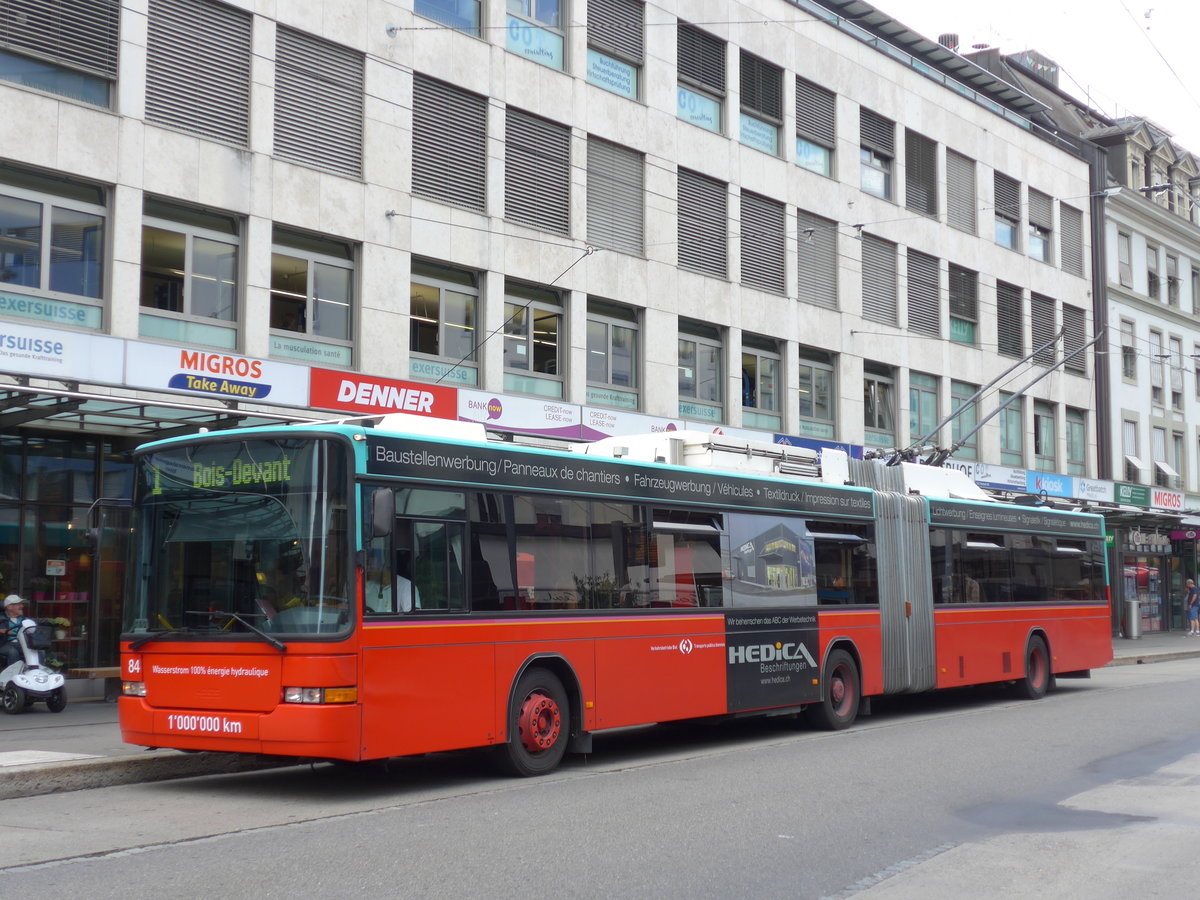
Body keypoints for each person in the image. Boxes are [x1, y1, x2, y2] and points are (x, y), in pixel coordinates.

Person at [2, 594, 27, 668]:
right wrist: (2, 631)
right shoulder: (2, 619)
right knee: (13, 652)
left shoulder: (23, 619)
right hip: (4, 644)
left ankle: (37, 675)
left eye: (21, 604)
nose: (22, 606)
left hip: (21, 643)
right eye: (18, 604)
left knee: (38, 651)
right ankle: (12, 675)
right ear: (9, 607)